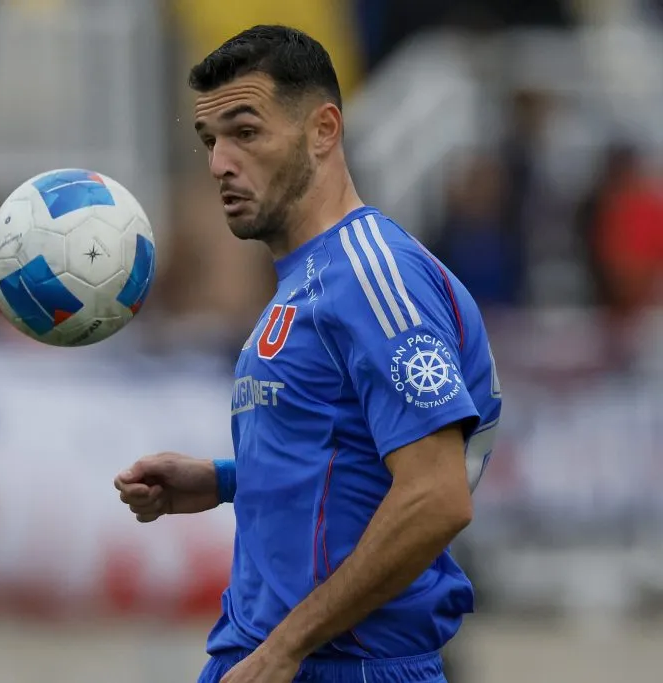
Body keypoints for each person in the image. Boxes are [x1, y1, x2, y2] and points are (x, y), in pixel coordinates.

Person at [114, 26, 502, 683]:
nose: (219, 164)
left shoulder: (375, 277)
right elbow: (349, 449)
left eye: (246, 132)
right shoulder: (306, 278)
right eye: (210, 142)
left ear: (324, 130)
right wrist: (226, 479)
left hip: (341, 664)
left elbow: (436, 495)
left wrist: (285, 647)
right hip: (270, 651)